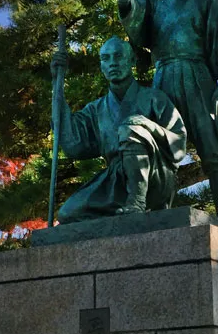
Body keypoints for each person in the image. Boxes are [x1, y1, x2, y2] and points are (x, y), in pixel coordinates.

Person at [117, 0, 218, 224]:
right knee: (161, 149)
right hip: (164, 78)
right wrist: (125, 3)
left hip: (200, 77)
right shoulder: (151, 1)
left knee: (214, 150)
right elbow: (136, 26)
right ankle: (161, 216)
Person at [50, 36, 187, 224]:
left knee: (131, 127)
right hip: (115, 181)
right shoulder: (96, 109)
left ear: (132, 61)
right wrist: (57, 82)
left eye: (118, 56)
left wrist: (147, 126)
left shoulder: (154, 97)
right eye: (106, 59)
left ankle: (137, 201)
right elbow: (73, 143)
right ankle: (114, 231)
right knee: (68, 215)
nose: (112, 63)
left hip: (155, 175)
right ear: (101, 65)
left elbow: (179, 142)